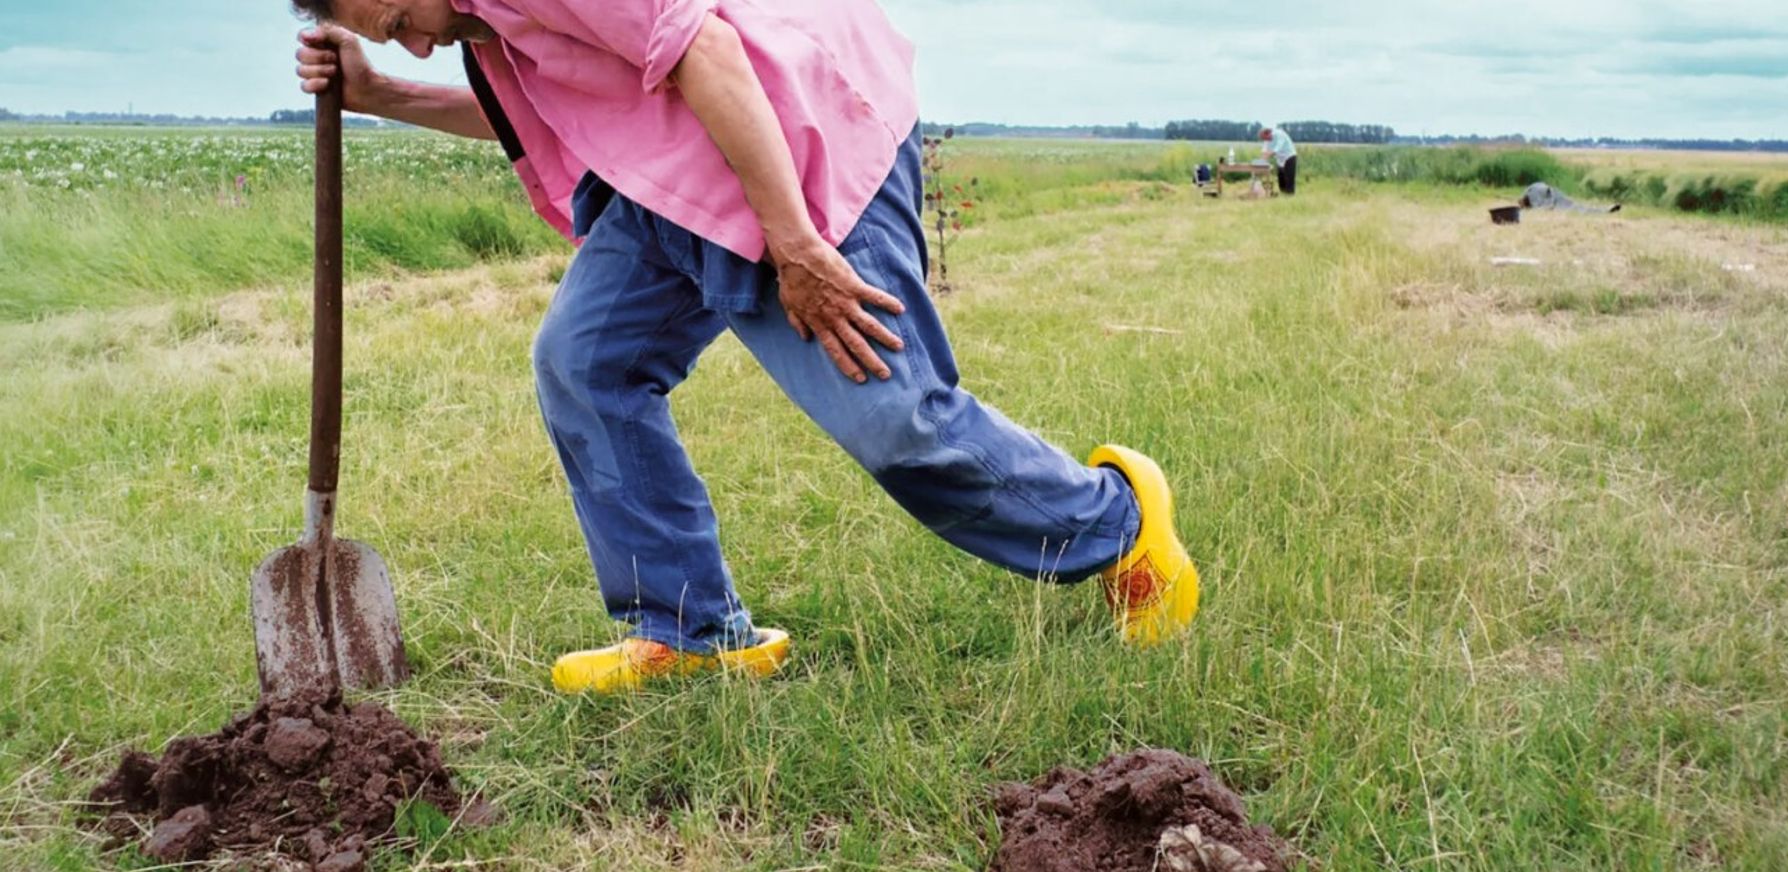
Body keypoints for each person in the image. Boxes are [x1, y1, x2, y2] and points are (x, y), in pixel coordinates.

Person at [290, 0, 1200, 693]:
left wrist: (797, 246)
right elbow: (566, 110)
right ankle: (688, 629)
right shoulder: (483, 21)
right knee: (587, 363)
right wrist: (382, 94)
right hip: (669, 173)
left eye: (400, 20)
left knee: (894, 421)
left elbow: (704, 49)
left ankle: (1117, 527)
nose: (412, 41)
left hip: (787, 144)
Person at [1518, 182, 1621, 214]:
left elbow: (1547, 191)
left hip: (1557, 198)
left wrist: (1550, 205)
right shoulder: (1529, 191)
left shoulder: (1531, 194)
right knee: (1579, 207)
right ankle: (1606, 210)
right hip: (1557, 196)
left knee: (1578, 208)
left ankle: (1606, 210)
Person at [1259, 126, 1297, 196]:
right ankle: (1283, 194)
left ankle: (1290, 196)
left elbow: (1277, 149)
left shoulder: (1279, 134)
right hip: (1280, 159)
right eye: (1263, 139)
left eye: (1265, 138)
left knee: (1289, 178)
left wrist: (1267, 156)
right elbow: (1264, 152)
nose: (1265, 140)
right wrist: (1260, 162)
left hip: (1289, 156)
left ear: (1268, 133)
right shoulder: (1266, 140)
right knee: (1281, 179)